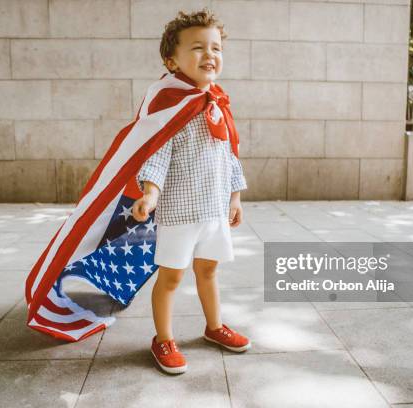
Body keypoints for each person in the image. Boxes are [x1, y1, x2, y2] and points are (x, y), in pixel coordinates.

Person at [131, 8, 251, 375]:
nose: (210, 55)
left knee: (209, 270)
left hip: (213, 210)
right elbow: (157, 153)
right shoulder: (171, 105)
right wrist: (150, 193)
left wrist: (235, 196)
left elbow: (228, 153)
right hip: (180, 213)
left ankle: (214, 327)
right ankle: (163, 338)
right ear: (172, 59)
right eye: (198, 47)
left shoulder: (216, 103)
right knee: (171, 277)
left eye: (215, 48)